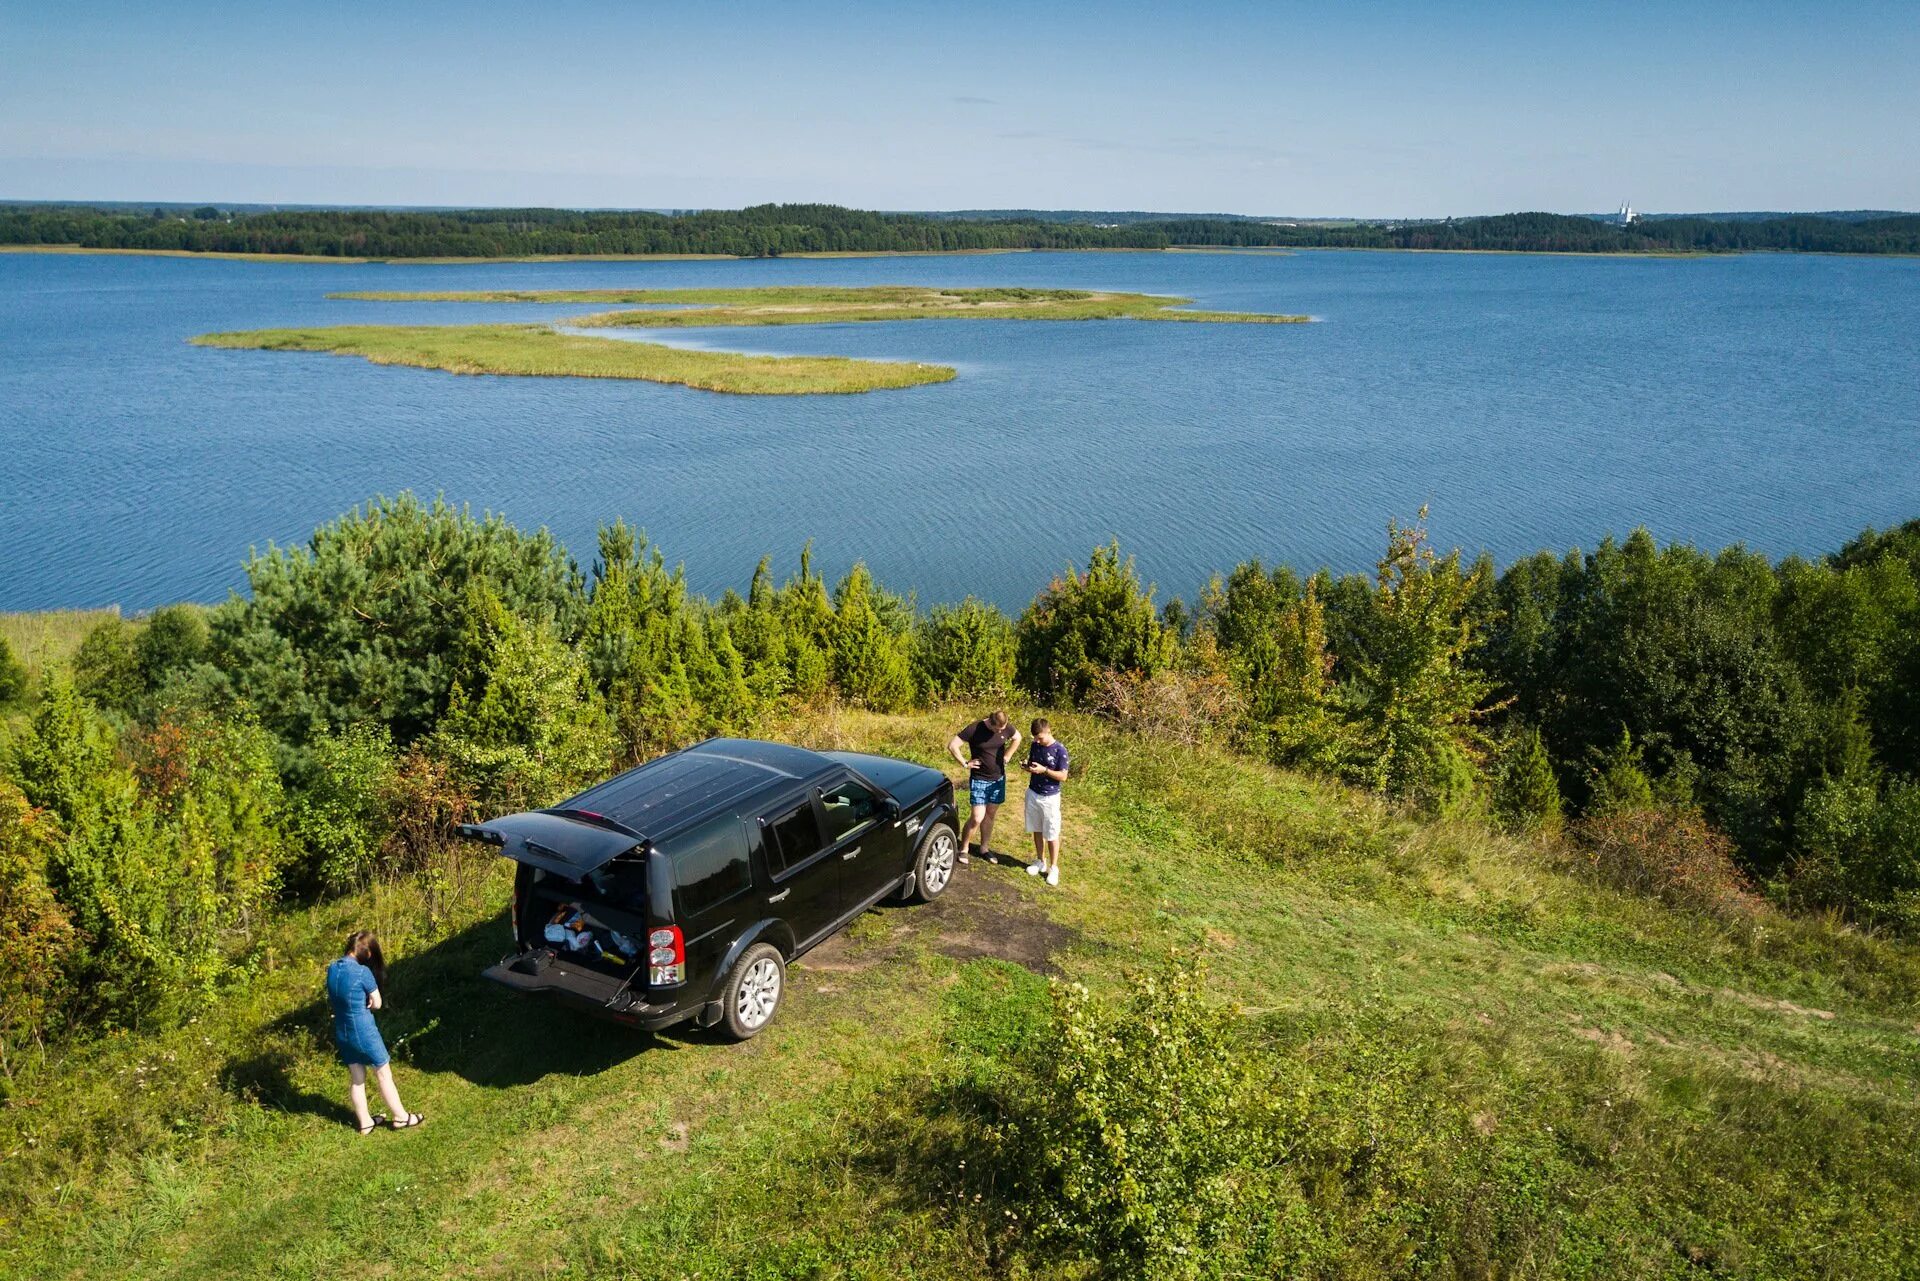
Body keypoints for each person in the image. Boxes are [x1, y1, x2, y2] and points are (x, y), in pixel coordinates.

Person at [326, 931, 423, 1134]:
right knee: (383, 1073)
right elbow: (377, 1003)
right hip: (364, 1030)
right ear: (368, 954)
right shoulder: (363, 973)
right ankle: (401, 1117)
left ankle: (365, 1122)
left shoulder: (333, 968)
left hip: (343, 1031)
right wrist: (369, 1003)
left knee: (357, 1078)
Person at [948, 710, 1021, 865]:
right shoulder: (974, 728)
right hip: (980, 779)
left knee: (990, 815)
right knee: (977, 817)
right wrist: (965, 763)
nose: (1001, 732)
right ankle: (964, 848)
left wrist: (1008, 755)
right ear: (990, 722)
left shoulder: (1006, 726)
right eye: (997, 730)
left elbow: (1017, 738)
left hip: (998, 778)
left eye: (1003, 729)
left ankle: (984, 848)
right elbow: (953, 745)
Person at [1023, 718, 1070, 886]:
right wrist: (1028, 767)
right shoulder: (1035, 745)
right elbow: (1034, 765)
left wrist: (1045, 771)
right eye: (1035, 737)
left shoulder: (1060, 750)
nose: (1037, 740)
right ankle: (1040, 861)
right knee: (1036, 828)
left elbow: (1063, 776)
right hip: (1033, 793)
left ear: (1049, 731)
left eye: (1040, 737)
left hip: (1050, 797)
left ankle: (1054, 867)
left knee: (1051, 833)